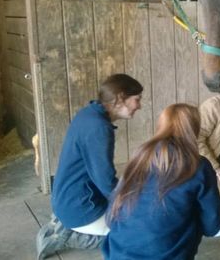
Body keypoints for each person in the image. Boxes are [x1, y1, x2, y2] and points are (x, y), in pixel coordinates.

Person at [36, 74, 143, 259]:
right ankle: (70, 236)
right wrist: (132, 207)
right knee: (140, 233)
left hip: (67, 199)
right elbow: (105, 181)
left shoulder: (90, 113)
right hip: (82, 208)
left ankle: (64, 222)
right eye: (137, 99)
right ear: (120, 98)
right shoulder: (99, 128)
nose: (139, 106)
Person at [102, 104, 220, 260]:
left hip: (117, 253)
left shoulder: (140, 155)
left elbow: (114, 207)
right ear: (194, 129)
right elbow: (212, 225)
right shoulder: (198, 165)